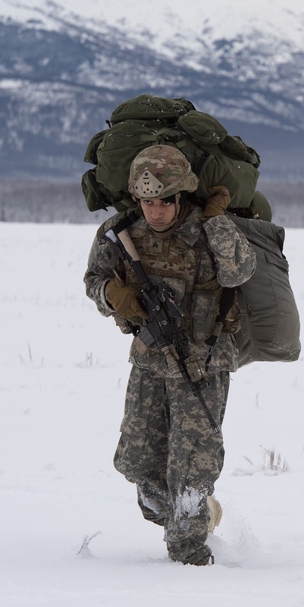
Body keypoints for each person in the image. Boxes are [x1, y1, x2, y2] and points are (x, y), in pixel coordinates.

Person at [84, 144, 257, 565]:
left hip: (203, 363)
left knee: (191, 471)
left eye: (163, 201)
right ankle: (196, 518)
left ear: (181, 197)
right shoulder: (122, 231)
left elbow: (240, 270)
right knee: (138, 466)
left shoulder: (207, 229)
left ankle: (190, 554)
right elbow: (94, 280)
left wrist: (216, 222)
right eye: (146, 202)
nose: (154, 211)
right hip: (149, 361)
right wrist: (115, 295)